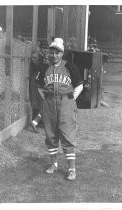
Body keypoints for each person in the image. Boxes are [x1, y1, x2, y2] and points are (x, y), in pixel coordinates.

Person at [35, 38, 83, 181]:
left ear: (62, 53)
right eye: (52, 52)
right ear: (49, 53)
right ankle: (54, 164)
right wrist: (47, 99)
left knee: (67, 135)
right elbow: (39, 86)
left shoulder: (70, 67)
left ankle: (72, 170)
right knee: (50, 135)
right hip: (49, 104)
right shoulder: (44, 68)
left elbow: (79, 86)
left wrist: (71, 99)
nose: (54, 55)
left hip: (66, 103)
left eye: (57, 53)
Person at [29, 40, 49, 133]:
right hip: (36, 80)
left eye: (47, 48)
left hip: (40, 80)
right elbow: (39, 68)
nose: (46, 50)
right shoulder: (37, 56)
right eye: (44, 48)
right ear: (40, 48)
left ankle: (37, 122)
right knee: (37, 102)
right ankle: (35, 122)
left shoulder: (43, 56)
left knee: (42, 102)